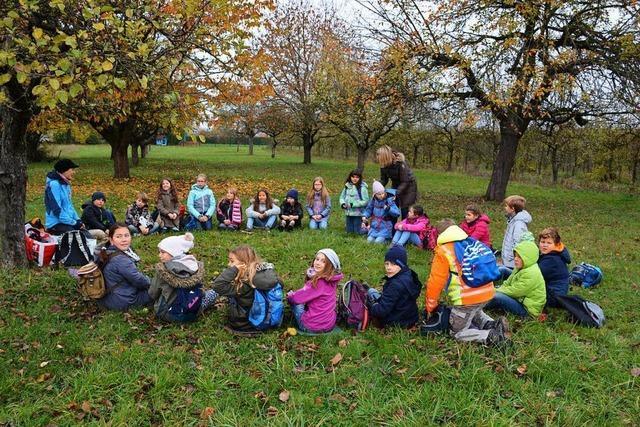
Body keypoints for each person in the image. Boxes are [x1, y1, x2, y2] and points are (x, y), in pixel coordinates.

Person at [424, 219, 508, 346]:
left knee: (458, 332)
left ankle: (491, 337)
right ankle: (493, 324)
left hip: (467, 299)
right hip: (488, 293)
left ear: (440, 234)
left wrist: (431, 306)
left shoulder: (444, 251)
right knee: (474, 311)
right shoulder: (471, 243)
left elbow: (435, 282)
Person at [211, 245, 281, 336]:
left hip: (243, 324)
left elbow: (218, 286)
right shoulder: (262, 275)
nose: (229, 264)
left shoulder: (245, 285)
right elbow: (280, 283)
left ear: (243, 264)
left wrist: (234, 269)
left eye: (232, 261)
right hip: (264, 318)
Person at [148, 233, 218, 322]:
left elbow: (153, 293)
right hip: (193, 311)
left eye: (163, 252)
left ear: (174, 252)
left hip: (169, 314)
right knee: (207, 295)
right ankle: (213, 294)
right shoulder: (194, 265)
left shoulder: (163, 270)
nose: (159, 255)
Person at [97, 223, 152, 311]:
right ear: (111, 240)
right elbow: (139, 281)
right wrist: (151, 282)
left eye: (126, 235)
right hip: (123, 301)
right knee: (159, 288)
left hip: (108, 298)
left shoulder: (106, 251)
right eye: (119, 237)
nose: (124, 240)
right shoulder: (121, 260)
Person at [486, 240, 546, 318]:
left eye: (519, 257)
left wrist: (496, 290)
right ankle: (483, 286)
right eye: (515, 256)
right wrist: (501, 288)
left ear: (528, 258)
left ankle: (479, 305)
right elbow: (509, 281)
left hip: (527, 310)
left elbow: (515, 291)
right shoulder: (522, 266)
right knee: (502, 270)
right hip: (520, 300)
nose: (516, 259)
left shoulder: (531, 273)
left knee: (497, 297)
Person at [287, 249, 343, 333]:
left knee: (296, 302)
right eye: (317, 259)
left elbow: (296, 298)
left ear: (330, 266)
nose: (318, 263)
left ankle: (301, 321)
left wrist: (290, 296)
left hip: (311, 326)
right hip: (329, 324)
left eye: (323, 261)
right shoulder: (332, 279)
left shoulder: (318, 282)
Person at [366, 246, 422, 328]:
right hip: (410, 317)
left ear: (402, 265)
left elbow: (381, 311)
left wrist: (370, 305)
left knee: (370, 292)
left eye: (394, 264)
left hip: (396, 322)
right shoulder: (409, 274)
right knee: (371, 292)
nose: (389, 268)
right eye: (387, 264)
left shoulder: (396, 285)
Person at [376, 145, 418, 219]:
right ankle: (392, 228)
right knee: (393, 206)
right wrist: (377, 186)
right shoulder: (383, 165)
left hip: (409, 187)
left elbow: (405, 181)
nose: (378, 158)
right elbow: (384, 179)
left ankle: (405, 227)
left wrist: (397, 192)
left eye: (379, 156)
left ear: (385, 156)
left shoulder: (400, 164)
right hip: (396, 185)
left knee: (404, 209)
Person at [44, 158, 83, 234]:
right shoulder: (54, 184)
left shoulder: (66, 184)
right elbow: (57, 210)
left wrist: (78, 220)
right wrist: (73, 223)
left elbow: (69, 205)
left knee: (87, 236)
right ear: (64, 170)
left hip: (68, 221)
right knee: (76, 236)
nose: (73, 172)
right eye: (72, 169)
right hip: (56, 223)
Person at [537, 227, 571, 308]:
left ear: (556, 245)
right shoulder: (551, 254)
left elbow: (534, 275)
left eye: (549, 243)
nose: (545, 245)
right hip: (553, 292)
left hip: (553, 298)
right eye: (542, 242)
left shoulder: (552, 259)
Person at [499, 195, 532, 278]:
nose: (505, 208)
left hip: (512, 263)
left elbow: (518, 244)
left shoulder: (518, 224)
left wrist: (510, 258)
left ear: (513, 208)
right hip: (508, 262)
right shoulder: (513, 221)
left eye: (506, 206)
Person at [339, 169, 369, 234]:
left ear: (360, 178)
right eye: (353, 177)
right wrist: (343, 204)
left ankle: (367, 228)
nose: (355, 179)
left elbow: (365, 201)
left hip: (358, 213)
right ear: (350, 177)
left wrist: (352, 204)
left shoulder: (362, 188)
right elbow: (341, 197)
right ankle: (350, 226)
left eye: (357, 177)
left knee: (357, 232)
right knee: (349, 232)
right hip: (348, 213)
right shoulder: (347, 186)